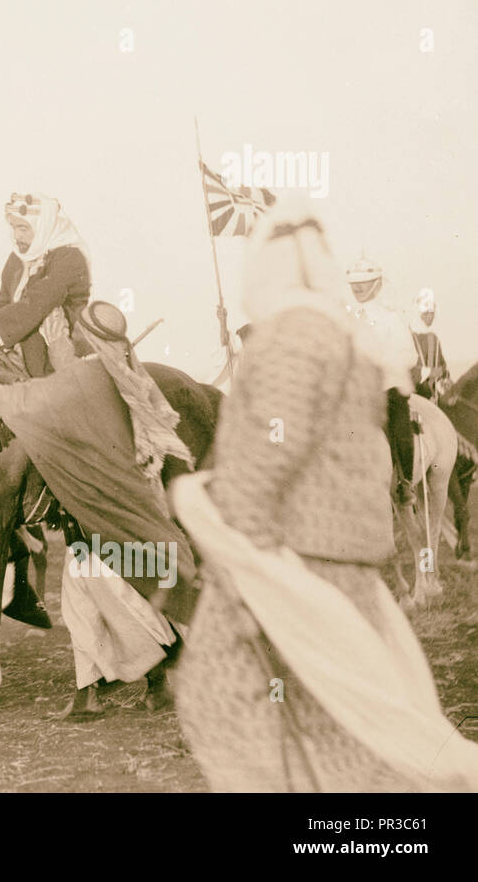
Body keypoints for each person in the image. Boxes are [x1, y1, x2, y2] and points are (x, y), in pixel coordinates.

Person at [169, 199, 478, 791]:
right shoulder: (345, 337)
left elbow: (269, 448)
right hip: (345, 561)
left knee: (229, 700)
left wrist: (229, 534)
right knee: (343, 719)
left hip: (296, 560)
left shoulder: (292, 336)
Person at [0, 300, 198, 720]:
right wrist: (59, 348)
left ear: (88, 338)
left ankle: (166, 667)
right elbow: (67, 380)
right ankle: (89, 693)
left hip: (112, 529)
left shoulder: (87, 380)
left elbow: (37, 396)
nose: (72, 334)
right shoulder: (119, 375)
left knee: (120, 598)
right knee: (82, 597)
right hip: (118, 520)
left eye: (77, 331)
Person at [0, 191, 91, 377]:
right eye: (14, 227)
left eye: (23, 228)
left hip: (60, 352)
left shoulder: (70, 258)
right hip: (19, 350)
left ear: (43, 227)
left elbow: (40, 300)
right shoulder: (17, 259)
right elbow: (3, 303)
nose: (17, 235)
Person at [346, 256, 417, 504]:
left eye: (364, 282)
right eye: (354, 282)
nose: (358, 287)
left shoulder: (391, 319)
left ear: (377, 283)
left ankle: (405, 481)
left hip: (386, 388)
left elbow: (410, 356)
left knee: (398, 421)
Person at [409, 290, 450, 402]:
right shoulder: (407, 337)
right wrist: (428, 372)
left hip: (432, 398)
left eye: (432, 313)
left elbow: (442, 367)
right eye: (426, 313)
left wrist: (444, 381)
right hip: (411, 397)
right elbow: (402, 368)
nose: (430, 317)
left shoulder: (434, 338)